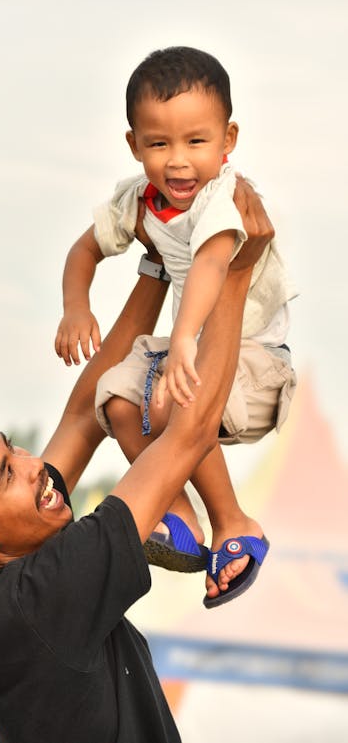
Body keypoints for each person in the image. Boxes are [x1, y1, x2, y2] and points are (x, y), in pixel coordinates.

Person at [0, 185, 272, 743]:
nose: (35, 464)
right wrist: (234, 269)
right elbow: (190, 433)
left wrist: (156, 263)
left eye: (11, 448)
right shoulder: (39, 598)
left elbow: (86, 416)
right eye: (8, 473)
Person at [55, 46, 297, 607]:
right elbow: (83, 249)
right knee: (115, 400)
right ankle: (179, 516)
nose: (178, 161)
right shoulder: (137, 200)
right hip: (191, 348)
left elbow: (214, 264)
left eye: (197, 141)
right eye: (159, 143)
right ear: (134, 144)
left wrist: (185, 338)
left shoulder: (223, 196)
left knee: (167, 400)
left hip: (254, 359)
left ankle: (233, 522)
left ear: (228, 140)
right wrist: (76, 306)